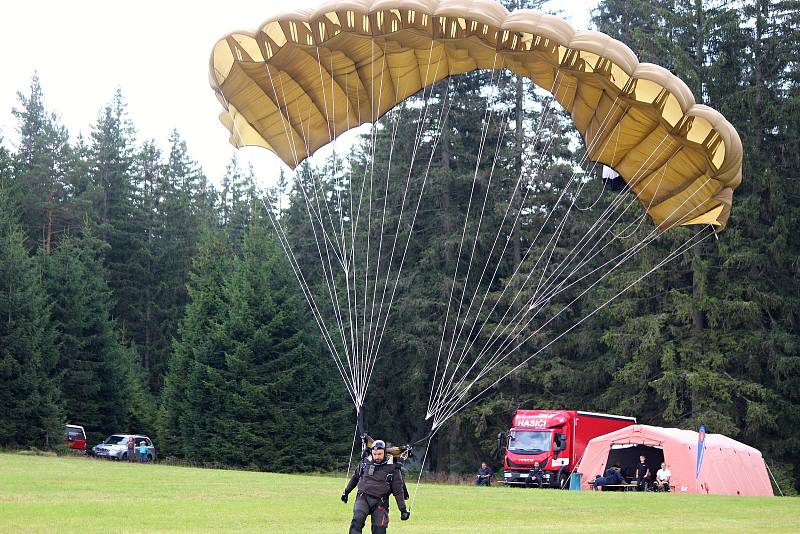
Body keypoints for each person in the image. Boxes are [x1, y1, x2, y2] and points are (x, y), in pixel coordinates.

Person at [342, 440, 410, 534]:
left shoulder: (393, 468)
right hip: (363, 498)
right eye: (375, 454)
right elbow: (355, 477)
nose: (377, 456)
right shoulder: (365, 463)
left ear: (384, 453)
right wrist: (346, 492)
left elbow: (398, 491)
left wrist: (403, 510)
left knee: (379, 529)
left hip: (380, 502)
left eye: (379, 454)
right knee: (357, 521)